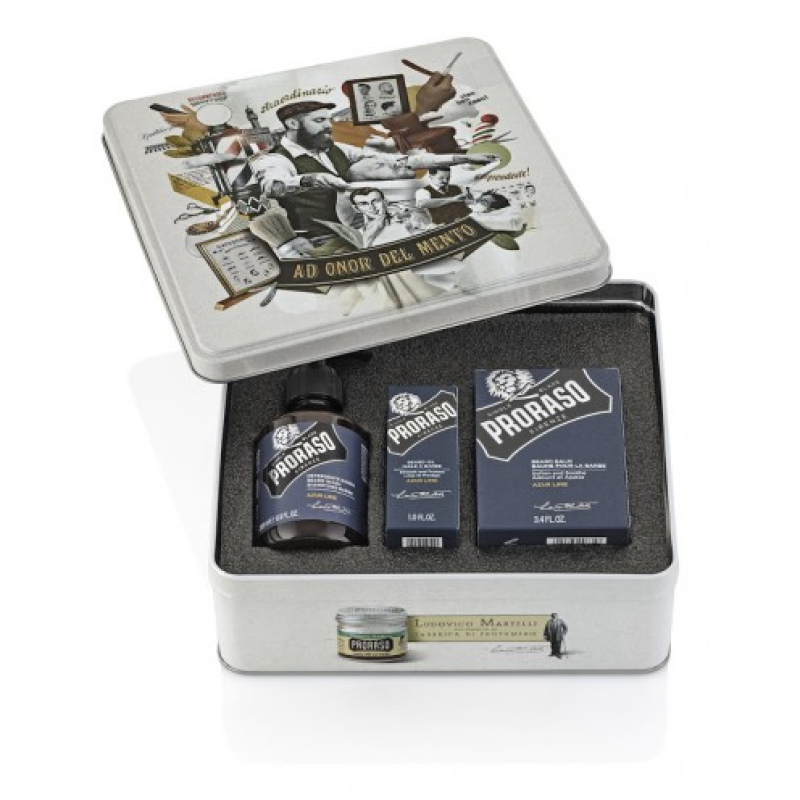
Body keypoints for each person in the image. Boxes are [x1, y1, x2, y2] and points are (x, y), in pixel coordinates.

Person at [250, 101, 495, 247]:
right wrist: (309, 179)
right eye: (320, 120)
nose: (328, 126)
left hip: (367, 233)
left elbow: (400, 161)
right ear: (293, 124)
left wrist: (462, 158)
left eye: (329, 120)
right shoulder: (275, 159)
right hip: (323, 242)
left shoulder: (337, 149)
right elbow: (272, 186)